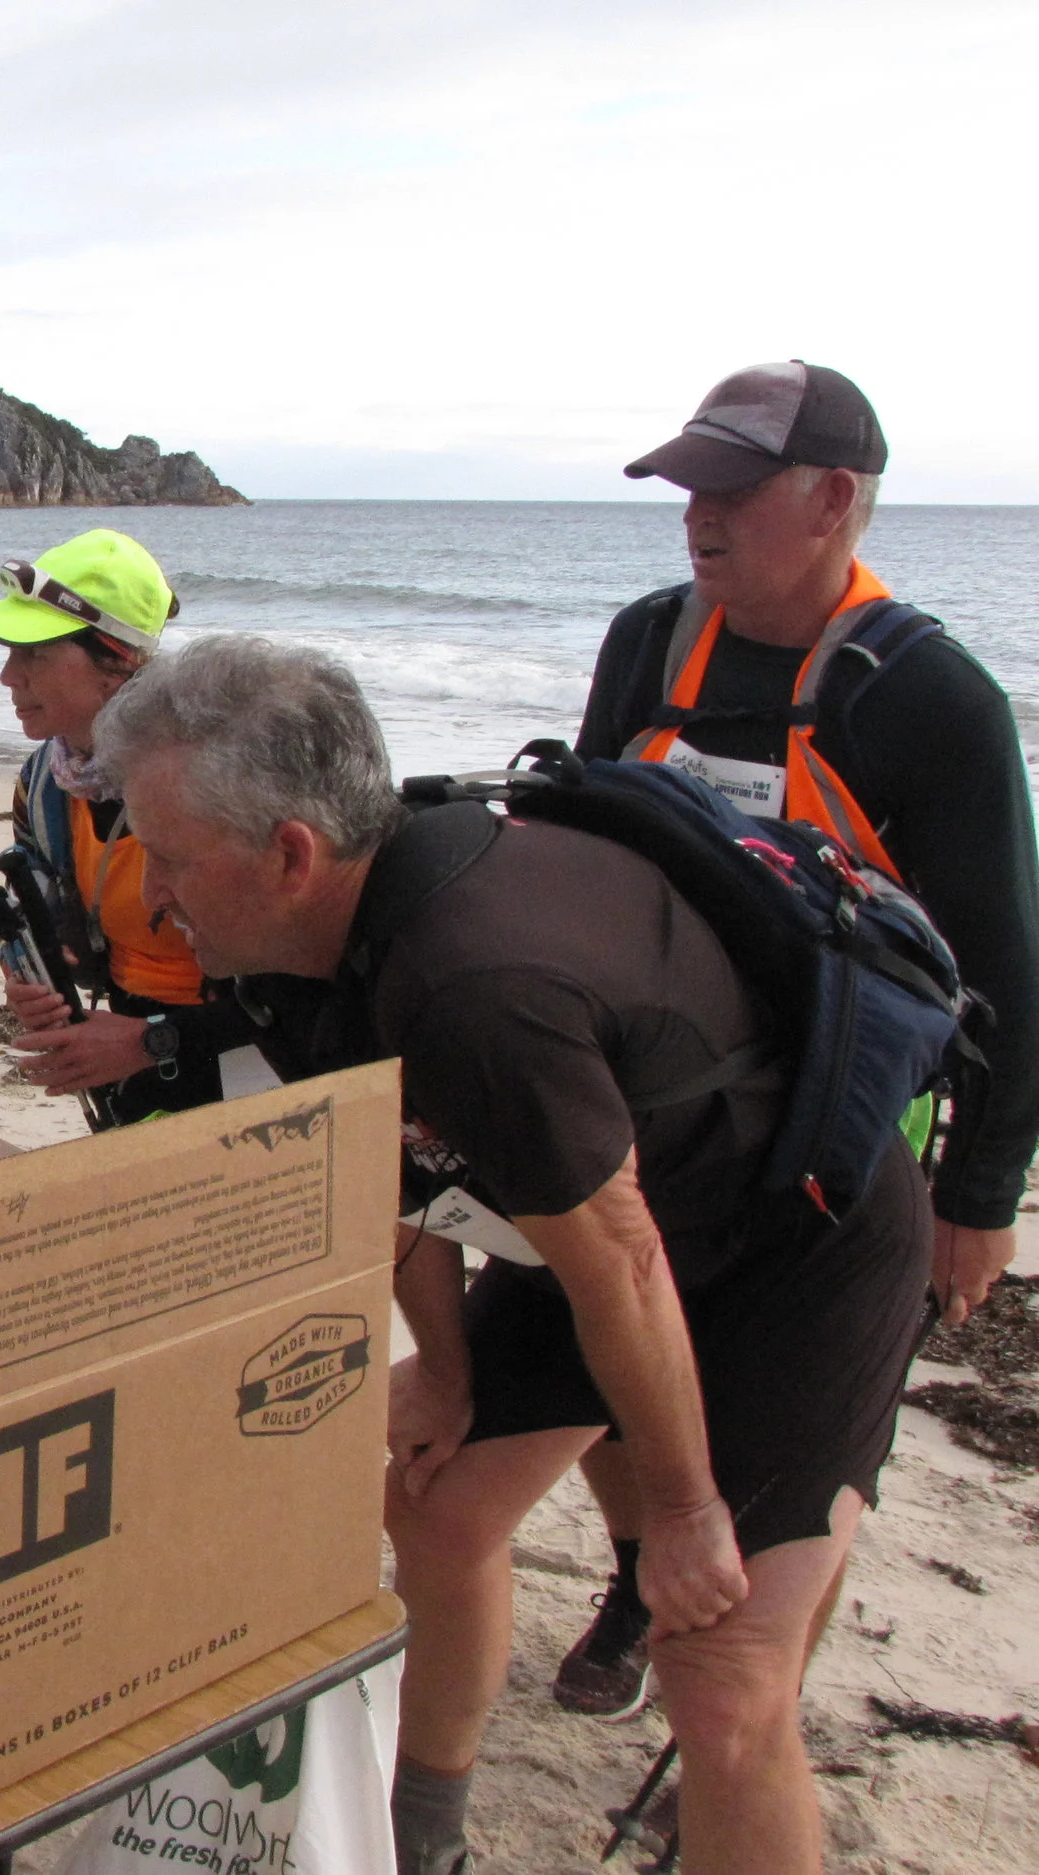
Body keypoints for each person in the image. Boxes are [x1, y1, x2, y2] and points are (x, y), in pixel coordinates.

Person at [95, 634, 932, 1875]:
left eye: (168, 861)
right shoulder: (312, 940)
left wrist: (684, 1512)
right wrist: (443, 1367)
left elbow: (620, 1263)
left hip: (789, 1251)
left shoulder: (475, 985)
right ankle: (425, 1834)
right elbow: (399, 1164)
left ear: (290, 853)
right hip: (597, 1214)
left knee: (721, 1676)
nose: (153, 897)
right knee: (432, 1506)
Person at [547, 361, 1039, 1720]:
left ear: (832, 499)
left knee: (807, 1472)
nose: (695, 514)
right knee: (618, 1373)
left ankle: (746, 1712)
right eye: (687, 485)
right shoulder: (650, 642)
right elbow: (582, 854)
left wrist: (981, 1198)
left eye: (730, 488)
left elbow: (1007, 970)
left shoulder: (932, 700)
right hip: (652, 1108)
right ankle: (641, 1567)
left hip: (851, 1144)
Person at [0, 528, 247, 1126]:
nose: (9, 675)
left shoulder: (229, 784)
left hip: (249, 1066)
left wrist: (149, 1041)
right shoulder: (44, 786)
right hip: (134, 1058)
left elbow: (316, 995)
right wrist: (40, 977)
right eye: (9, 652)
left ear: (116, 661)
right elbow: (75, 931)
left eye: (32, 652)